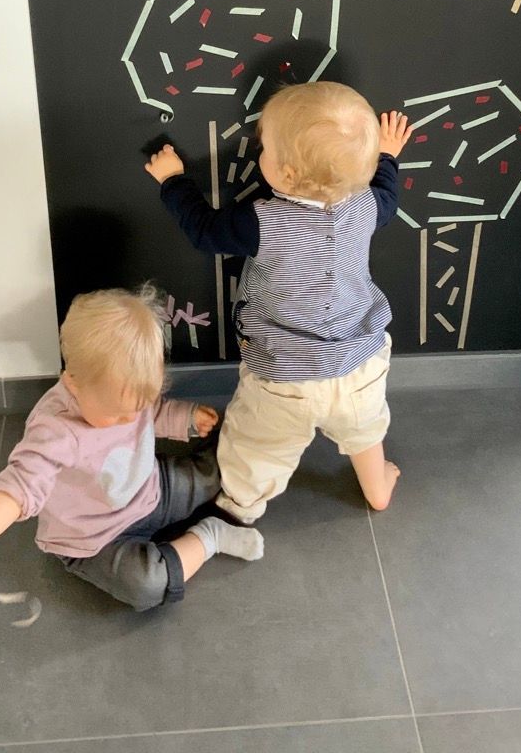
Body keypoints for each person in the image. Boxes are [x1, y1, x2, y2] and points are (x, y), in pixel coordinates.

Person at [145, 81, 412, 522]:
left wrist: (173, 181)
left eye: (264, 148)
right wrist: (386, 156)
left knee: (258, 449)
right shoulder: (368, 205)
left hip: (283, 377)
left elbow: (205, 231)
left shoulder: (261, 221)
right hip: (360, 365)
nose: (258, 151)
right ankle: (377, 488)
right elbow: (388, 193)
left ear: (286, 174)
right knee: (365, 431)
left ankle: (239, 509)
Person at [0, 286, 263, 612]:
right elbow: (16, 489)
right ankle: (208, 537)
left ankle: (257, 441)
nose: (131, 419)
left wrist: (184, 418)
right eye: (117, 414)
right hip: (94, 540)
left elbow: (151, 411)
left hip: (151, 490)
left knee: (216, 472)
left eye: (139, 406)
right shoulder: (55, 430)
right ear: (73, 383)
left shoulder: (124, 396)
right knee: (145, 584)